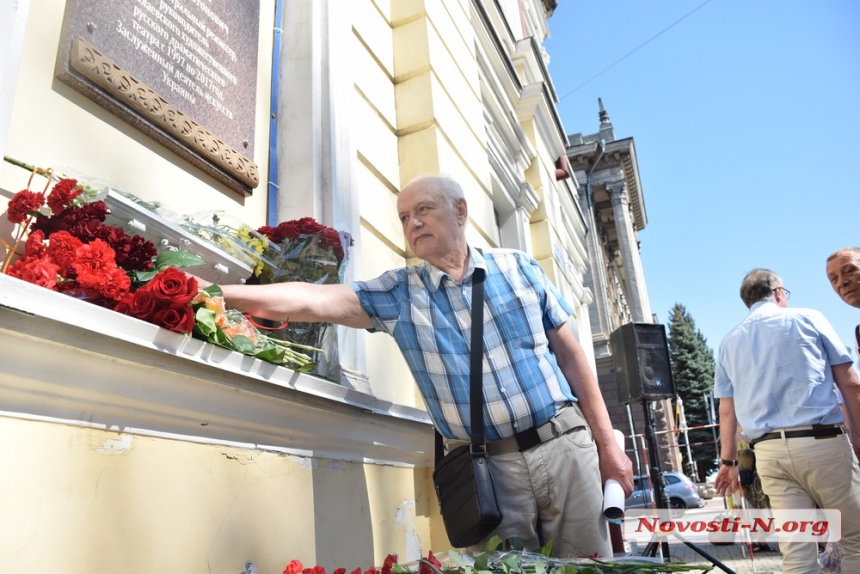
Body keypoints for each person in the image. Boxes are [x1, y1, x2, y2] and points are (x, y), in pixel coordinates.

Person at [209, 175, 633, 557]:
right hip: (488, 476)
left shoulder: (520, 268)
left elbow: (572, 357)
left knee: (588, 568)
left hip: (564, 448)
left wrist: (608, 446)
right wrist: (213, 291)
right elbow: (313, 300)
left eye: (424, 210)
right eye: (404, 216)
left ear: (460, 211)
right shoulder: (399, 294)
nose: (413, 223)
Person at [712, 268, 860, 573]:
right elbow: (850, 383)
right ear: (779, 292)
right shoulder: (808, 318)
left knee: (797, 548)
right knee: (854, 539)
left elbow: (727, 410)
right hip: (823, 443)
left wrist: (728, 462)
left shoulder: (728, 342)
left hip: (769, 455)